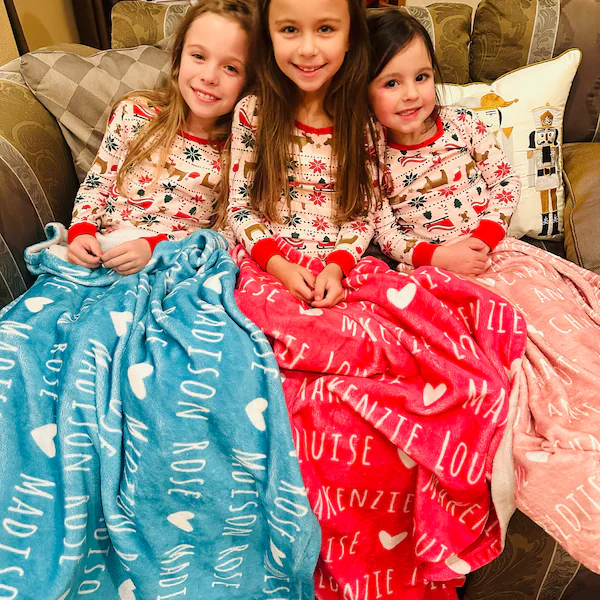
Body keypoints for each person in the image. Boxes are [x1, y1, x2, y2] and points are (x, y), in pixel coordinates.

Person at [227, 0, 397, 307]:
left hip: (342, 267)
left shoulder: (365, 124)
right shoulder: (252, 113)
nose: (308, 49)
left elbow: (363, 213)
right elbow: (240, 207)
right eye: (290, 29)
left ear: (350, 37)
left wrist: (335, 268)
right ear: (268, 35)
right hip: (266, 263)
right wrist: (279, 267)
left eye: (325, 28)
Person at [67, 0, 253, 276]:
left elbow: (230, 233)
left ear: (249, 81)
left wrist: (159, 250)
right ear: (178, 59)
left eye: (231, 68)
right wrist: (81, 232)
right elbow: (97, 183)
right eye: (198, 56)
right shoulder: (134, 113)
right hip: (105, 252)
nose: (209, 76)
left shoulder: (241, 149)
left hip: (178, 266)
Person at [367, 8, 521, 276]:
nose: (411, 94)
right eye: (391, 83)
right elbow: (385, 233)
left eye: (421, 77)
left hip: (492, 252)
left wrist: (484, 239)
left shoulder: (463, 123)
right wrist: (439, 257)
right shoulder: (371, 159)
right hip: (431, 269)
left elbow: (505, 181)